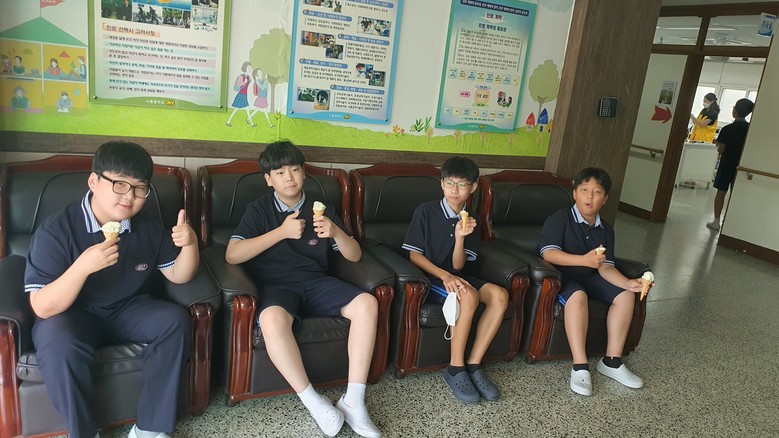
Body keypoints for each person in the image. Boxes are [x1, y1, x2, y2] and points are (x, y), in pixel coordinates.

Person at [24, 141, 199, 438]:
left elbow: (179, 275)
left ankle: (150, 429)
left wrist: (190, 243)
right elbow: (43, 306)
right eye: (119, 184)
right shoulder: (56, 230)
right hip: (73, 314)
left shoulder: (148, 225)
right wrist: (82, 267)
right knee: (55, 338)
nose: (129, 196)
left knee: (174, 320)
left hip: (127, 308)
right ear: (94, 181)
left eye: (139, 188)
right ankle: (84, 432)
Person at [225, 141, 381, 438]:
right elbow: (232, 255)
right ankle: (314, 403)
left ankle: (354, 401)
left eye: (295, 169)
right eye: (280, 172)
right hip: (276, 284)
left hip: (316, 281)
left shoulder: (323, 209)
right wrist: (281, 232)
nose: (289, 177)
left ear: (304, 173)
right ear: (268, 179)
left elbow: (355, 256)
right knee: (271, 319)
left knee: (367, 304)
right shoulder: (258, 209)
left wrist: (336, 232)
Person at [402, 157, 508, 404]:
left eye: (462, 185)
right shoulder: (425, 211)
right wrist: (445, 275)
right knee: (468, 295)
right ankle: (455, 368)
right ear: (441, 184)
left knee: (500, 296)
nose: (454, 190)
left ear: (473, 188)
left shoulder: (472, 220)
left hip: (457, 276)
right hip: (431, 278)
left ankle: (474, 365)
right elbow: (414, 255)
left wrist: (460, 237)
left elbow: (459, 265)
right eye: (449, 183)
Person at [538, 167, 652, 396]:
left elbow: (606, 267)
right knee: (578, 297)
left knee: (625, 295)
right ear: (575, 193)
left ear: (605, 198)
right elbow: (548, 253)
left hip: (592, 276)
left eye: (597, 192)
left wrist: (628, 283)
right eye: (584, 190)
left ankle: (612, 361)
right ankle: (580, 366)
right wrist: (583, 260)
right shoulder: (559, 219)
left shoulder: (606, 229)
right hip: (563, 277)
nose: (589, 197)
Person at [707, 98, 755, 231]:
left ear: (735, 110)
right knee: (736, 194)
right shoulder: (749, 129)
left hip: (726, 164)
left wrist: (720, 148)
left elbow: (721, 149)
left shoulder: (727, 129)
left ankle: (716, 221)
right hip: (741, 166)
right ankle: (730, 224)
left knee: (721, 192)